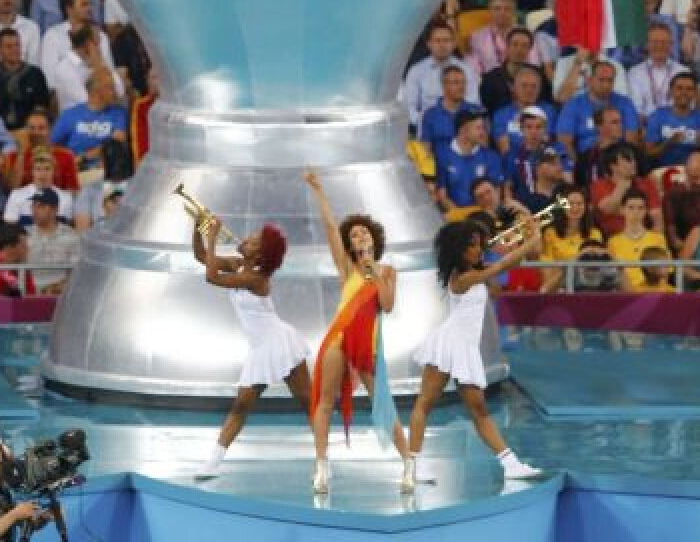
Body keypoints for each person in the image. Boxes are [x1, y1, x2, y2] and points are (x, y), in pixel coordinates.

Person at [403, 218, 541, 492]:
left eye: (479, 244)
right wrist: (533, 237)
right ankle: (410, 469)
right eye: (472, 246)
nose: (478, 250)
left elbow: (509, 264)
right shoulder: (461, 278)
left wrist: (528, 238)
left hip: (465, 348)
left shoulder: (475, 272)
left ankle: (511, 464)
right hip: (449, 344)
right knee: (424, 404)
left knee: (479, 410)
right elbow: (503, 264)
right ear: (459, 249)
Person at [304, 168, 408, 495]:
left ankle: (408, 462)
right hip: (338, 340)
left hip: (368, 346)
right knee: (324, 401)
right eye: (355, 234)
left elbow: (388, 306)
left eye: (365, 233)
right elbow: (330, 228)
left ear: (375, 239)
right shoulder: (346, 267)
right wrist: (319, 191)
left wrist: (374, 270)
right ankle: (322, 465)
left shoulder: (388, 271)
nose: (359, 236)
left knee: (382, 404)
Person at [192, 211, 310, 481]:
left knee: (308, 403)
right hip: (260, 349)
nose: (246, 239)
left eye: (254, 241)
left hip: (280, 345)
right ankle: (213, 462)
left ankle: (324, 459)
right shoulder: (237, 266)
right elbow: (201, 257)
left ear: (260, 257)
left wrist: (212, 238)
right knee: (240, 407)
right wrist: (197, 227)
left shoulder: (256, 279)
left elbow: (211, 276)